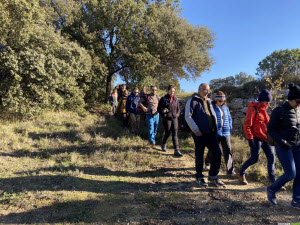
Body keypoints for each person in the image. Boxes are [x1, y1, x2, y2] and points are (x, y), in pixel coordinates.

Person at [266, 83, 300, 208]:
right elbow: (271, 129)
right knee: (291, 173)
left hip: (297, 145)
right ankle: (271, 190)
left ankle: (296, 200)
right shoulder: (279, 111)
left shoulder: (299, 111)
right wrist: (283, 142)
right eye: (297, 101)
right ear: (291, 99)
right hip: (283, 146)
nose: (299, 104)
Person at [185, 83, 224, 187]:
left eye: (208, 90)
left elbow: (215, 114)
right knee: (199, 155)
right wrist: (196, 130)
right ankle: (199, 177)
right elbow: (188, 116)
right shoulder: (192, 101)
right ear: (199, 89)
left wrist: (216, 128)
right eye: (205, 89)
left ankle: (213, 176)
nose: (207, 92)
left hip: (211, 133)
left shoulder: (210, 101)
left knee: (217, 153)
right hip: (199, 133)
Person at [238, 89, 276, 185]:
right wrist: (250, 139)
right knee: (254, 159)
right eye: (267, 101)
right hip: (256, 138)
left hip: (266, 138)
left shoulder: (264, 109)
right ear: (262, 100)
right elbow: (247, 125)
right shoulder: (253, 109)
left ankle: (272, 181)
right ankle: (241, 172)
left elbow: (267, 124)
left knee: (271, 158)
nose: (268, 103)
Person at [205, 91, 235, 175]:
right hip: (216, 133)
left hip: (226, 133)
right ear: (216, 99)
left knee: (228, 151)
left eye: (223, 101)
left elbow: (229, 118)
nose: (221, 102)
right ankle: (207, 162)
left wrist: (230, 126)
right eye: (220, 101)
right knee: (213, 150)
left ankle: (230, 170)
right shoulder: (211, 107)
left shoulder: (225, 108)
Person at [158, 84, 183, 157]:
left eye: (173, 91)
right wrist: (163, 112)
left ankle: (176, 150)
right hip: (166, 118)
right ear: (168, 91)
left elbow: (178, 108)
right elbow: (159, 109)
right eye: (171, 91)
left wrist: (177, 114)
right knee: (168, 133)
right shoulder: (163, 99)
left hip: (174, 118)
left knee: (175, 133)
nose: (172, 93)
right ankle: (163, 144)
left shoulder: (175, 99)